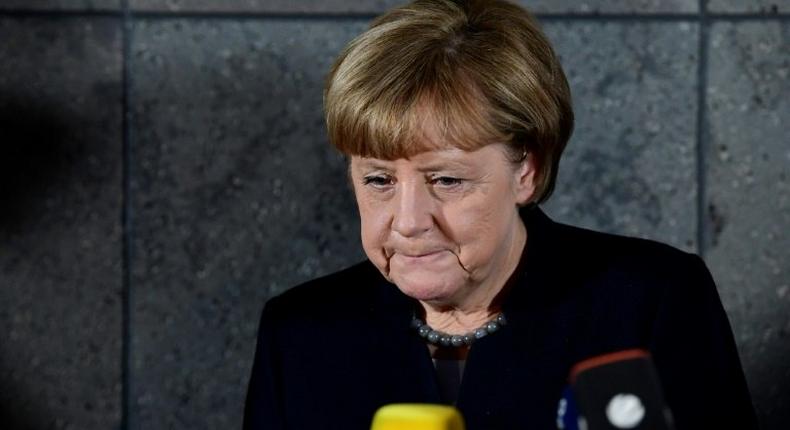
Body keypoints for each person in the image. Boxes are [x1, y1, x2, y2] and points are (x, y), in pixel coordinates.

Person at [243, 0, 757, 428]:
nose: (407, 221)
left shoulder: (651, 301)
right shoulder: (301, 333)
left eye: (445, 180)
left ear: (526, 170)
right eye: (379, 180)